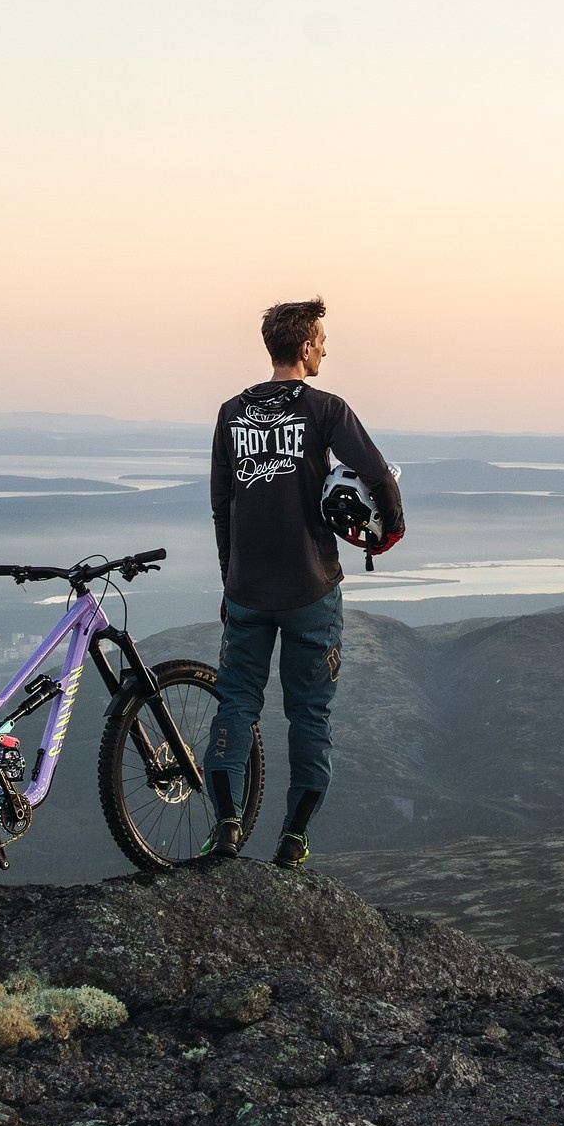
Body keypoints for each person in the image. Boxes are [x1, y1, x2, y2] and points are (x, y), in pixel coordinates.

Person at [202, 298, 404, 866]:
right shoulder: (325, 410)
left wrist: (229, 578)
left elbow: (222, 507)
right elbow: (377, 472)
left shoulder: (229, 413)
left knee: (236, 704)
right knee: (309, 714)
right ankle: (293, 839)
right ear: (307, 346)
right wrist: (392, 528)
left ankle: (225, 826)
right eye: (322, 339)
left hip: (246, 590)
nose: (326, 350)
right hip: (311, 589)